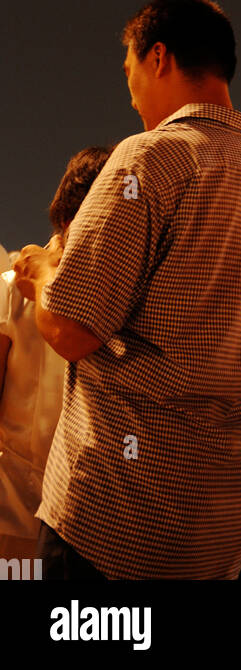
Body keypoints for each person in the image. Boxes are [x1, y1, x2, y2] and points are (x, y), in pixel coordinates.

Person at [13, 0, 241, 580]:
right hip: (220, 531)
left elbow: (69, 328)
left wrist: (45, 272)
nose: (130, 93)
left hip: (114, 518)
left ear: (160, 58)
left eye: (130, 71)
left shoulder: (151, 158)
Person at [0, 146, 112, 562]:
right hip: (13, 518)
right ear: (71, 219)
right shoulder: (11, 290)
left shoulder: (118, 301)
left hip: (86, 526)